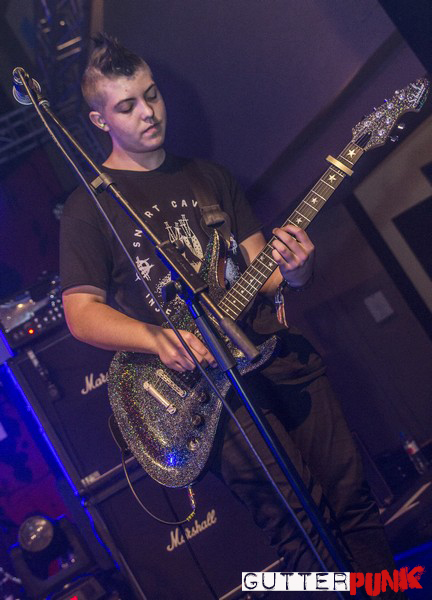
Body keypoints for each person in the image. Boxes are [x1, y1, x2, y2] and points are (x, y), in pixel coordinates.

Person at [60, 34, 403, 598]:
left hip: (277, 358)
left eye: (152, 95)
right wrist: (157, 337)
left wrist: (295, 271)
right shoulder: (89, 207)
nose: (148, 112)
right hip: (209, 394)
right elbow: (80, 313)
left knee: (352, 499)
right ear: (100, 120)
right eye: (128, 106)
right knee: (300, 528)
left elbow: (262, 272)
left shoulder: (209, 177)